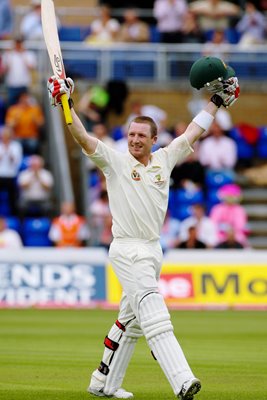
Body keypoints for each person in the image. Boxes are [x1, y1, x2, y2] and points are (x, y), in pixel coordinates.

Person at [47, 56, 240, 399]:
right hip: (126, 248)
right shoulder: (115, 162)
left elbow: (194, 130)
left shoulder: (165, 159)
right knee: (152, 310)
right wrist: (65, 101)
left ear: (153, 139)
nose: (135, 140)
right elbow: (81, 135)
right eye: (131, 134)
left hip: (152, 248)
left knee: (130, 321)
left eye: (141, 136)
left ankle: (103, 383)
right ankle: (182, 380)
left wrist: (215, 101)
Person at [0, 36, 37, 106]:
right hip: (12, 84)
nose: (18, 45)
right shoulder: (8, 55)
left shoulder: (28, 54)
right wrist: (8, 54)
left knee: (25, 105)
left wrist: (23, 55)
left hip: (24, 83)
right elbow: (5, 70)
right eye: (17, 43)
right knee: (11, 105)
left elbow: (31, 67)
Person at [5, 91, 44, 155]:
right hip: (17, 136)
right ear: (19, 99)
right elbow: (8, 125)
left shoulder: (35, 109)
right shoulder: (13, 109)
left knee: (32, 145)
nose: (24, 100)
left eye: (26, 98)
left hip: (32, 136)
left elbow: (41, 124)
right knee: (17, 145)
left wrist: (35, 120)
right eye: (23, 98)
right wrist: (16, 120)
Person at [0, 125, 23, 215]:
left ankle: (14, 214)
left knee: (14, 197)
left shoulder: (16, 146)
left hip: (11, 175)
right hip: (0, 174)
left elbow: (18, 161)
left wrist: (9, 153)